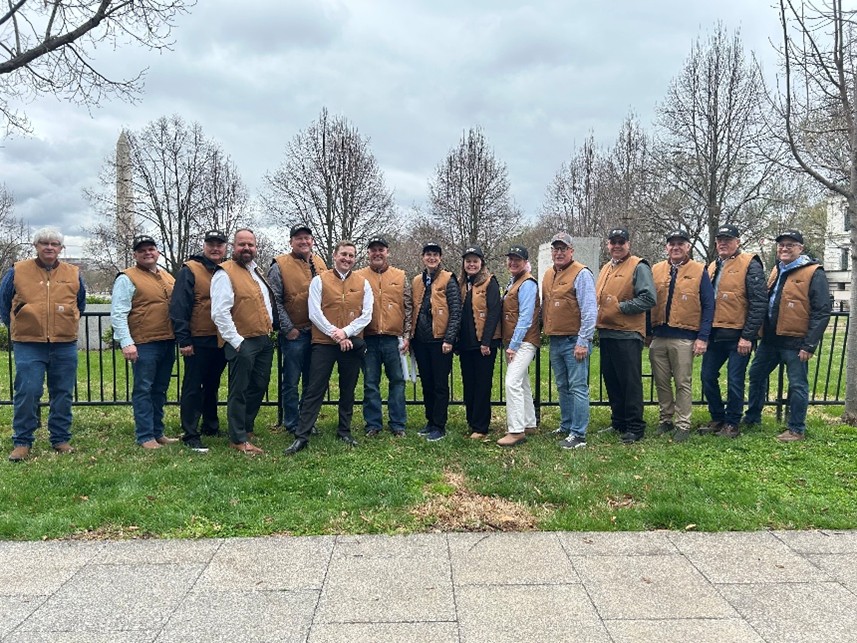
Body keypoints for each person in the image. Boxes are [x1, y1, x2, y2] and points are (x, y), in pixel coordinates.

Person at [1, 227, 86, 462]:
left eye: (54, 244)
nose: (49, 247)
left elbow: (80, 303)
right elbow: (4, 302)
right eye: (44, 243)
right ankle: (22, 441)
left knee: (63, 393)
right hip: (28, 343)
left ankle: (60, 439)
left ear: (61, 248)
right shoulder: (17, 271)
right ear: (36, 246)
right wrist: (17, 324)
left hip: (64, 343)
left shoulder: (74, 273)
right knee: (28, 391)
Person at [284, 241, 373, 454]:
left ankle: (344, 431)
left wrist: (346, 332)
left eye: (351, 255)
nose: (347, 259)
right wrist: (336, 334)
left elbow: (367, 314)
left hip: (351, 342)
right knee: (314, 389)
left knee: (348, 389)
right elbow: (314, 313)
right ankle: (302, 435)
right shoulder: (319, 280)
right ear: (335, 255)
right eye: (343, 254)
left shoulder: (363, 283)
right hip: (324, 343)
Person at [744, 229, 831, 441]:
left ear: (800, 248)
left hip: (795, 342)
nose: (784, 248)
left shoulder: (814, 272)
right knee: (756, 375)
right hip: (770, 340)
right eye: (781, 245)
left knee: (798, 385)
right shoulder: (777, 269)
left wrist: (809, 344)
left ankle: (796, 429)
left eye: (790, 245)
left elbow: (821, 311)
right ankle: (752, 418)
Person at [211, 229, 276, 456]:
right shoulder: (224, 273)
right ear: (233, 247)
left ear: (255, 247)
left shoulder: (255, 271)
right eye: (242, 244)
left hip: (263, 339)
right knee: (239, 390)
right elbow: (220, 313)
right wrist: (237, 342)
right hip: (242, 341)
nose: (246, 248)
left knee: (259, 385)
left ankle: (246, 427)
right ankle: (237, 438)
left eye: (250, 244)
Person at [111, 235, 178, 449]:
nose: (148, 253)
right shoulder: (126, 278)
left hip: (167, 340)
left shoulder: (167, 276)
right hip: (143, 343)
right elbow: (118, 313)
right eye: (142, 250)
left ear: (157, 252)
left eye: (151, 249)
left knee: (160, 389)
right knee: (144, 390)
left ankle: (158, 432)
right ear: (135, 255)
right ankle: (145, 436)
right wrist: (126, 342)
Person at [700, 224, 766, 439]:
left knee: (735, 380)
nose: (723, 243)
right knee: (707, 376)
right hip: (715, 334)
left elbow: (758, 302)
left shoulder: (750, 263)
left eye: (728, 240)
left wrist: (748, 336)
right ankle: (717, 417)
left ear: (737, 242)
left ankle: (732, 423)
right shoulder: (712, 266)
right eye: (720, 240)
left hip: (738, 336)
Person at [649, 229, 714, 443]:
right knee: (661, 381)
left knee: (682, 382)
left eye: (680, 244)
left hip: (684, 337)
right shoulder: (656, 269)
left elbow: (708, 305)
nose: (676, 247)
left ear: (688, 247)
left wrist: (703, 337)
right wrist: (647, 332)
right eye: (672, 244)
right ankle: (665, 419)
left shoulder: (699, 270)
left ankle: (683, 423)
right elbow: (649, 301)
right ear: (666, 247)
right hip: (659, 335)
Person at [595, 227, 656, 445]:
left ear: (628, 244)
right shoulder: (606, 268)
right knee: (612, 380)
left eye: (621, 242)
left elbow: (648, 298)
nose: (617, 246)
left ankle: (635, 426)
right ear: (608, 245)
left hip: (628, 334)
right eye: (613, 242)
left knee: (630, 383)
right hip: (607, 332)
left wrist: (620, 307)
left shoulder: (639, 266)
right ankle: (618, 421)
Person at [169, 230, 229, 453]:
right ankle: (190, 433)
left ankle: (210, 425)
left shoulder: (226, 269)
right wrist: (184, 339)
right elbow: (179, 306)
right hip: (197, 338)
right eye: (211, 244)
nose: (215, 248)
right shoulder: (190, 270)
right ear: (204, 246)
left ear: (225, 248)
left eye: (219, 245)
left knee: (212, 384)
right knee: (193, 386)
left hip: (220, 338)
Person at [268, 224, 328, 435]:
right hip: (295, 334)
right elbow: (274, 299)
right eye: (298, 238)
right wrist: (288, 328)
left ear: (312, 241)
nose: (303, 241)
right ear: (291, 242)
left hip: (317, 333)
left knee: (312, 381)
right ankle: (292, 422)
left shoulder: (320, 262)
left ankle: (307, 420)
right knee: (291, 381)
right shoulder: (279, 265)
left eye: (307, 237)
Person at [542, 232, 597, 449]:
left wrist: (583, 341)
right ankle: (566, 425)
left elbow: (590, 311)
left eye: (563, 248)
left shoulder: (581, 273)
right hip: (556, 339)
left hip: (574, 340)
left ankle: (578, 434)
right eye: (555, 249)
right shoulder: (549, 274)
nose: (559, 252)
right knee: (562, 386)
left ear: (571, 251)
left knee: (578, 387)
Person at [355, 236, 412, 437]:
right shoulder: (359, 276)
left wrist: (407, 335)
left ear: (387, 252)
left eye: (381, 249)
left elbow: (408, 307)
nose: (377, 253)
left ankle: (398, 424)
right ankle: (373, 424)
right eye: (373, 250)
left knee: (397, 381)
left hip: (393, 338)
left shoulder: (400, 276)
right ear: (368, 253)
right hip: (368, 338)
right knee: (370, 382)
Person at [411, 242, 462, 442]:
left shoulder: (448, 279)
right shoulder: (417, 280)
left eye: (435, 255)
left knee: (440, 384)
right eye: (428, 254)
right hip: (421, 341)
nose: (431, 258)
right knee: (427, 383)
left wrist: (449, 338)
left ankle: (439, 425)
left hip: (440, 341)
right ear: (423, 257)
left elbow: (455, 311)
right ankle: (430, 421)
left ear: (440, 258)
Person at [456, 245, 501, 439]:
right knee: (469, 383)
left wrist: (486, 341)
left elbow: (494, 312)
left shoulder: (490, 282)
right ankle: (472, 420)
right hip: (466, 343)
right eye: (468, 261)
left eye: (475, 261)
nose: (471, 264)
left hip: (484, 344)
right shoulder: (461, 284)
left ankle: (481, 426)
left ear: (481, 263)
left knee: (482, 384)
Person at [497, 245, 540, 447]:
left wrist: (513, 345)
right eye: (511, 259)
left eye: (517, 259)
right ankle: (529, 423)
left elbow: (525, 317)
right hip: (516, 341)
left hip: (524, 342)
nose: (513, 262)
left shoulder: (528, 283)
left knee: (511, 382)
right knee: (522, 382)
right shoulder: (514, 281)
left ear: (525, 262)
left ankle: (516, 430)